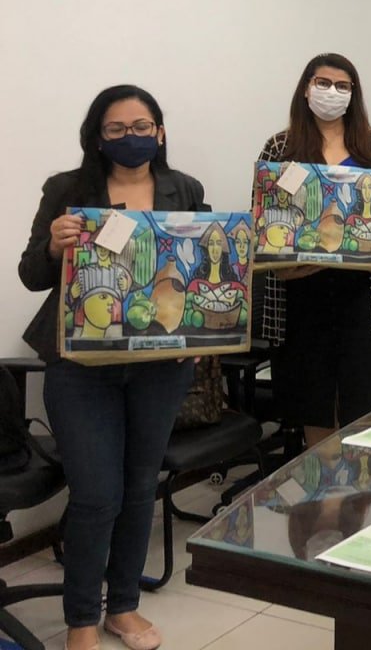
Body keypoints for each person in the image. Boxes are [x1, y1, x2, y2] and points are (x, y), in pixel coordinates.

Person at [19, 86, 205, 650]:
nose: (131, 137)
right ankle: (81, 618)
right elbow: (31, 275)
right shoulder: (67, 190)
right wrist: (53, 248)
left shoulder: (184, 189)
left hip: (158, 364)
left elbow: (199, 268)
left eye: (142, 126)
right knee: (97, 494)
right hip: (81, 364)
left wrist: (204, 330)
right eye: (117, 129)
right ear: (98, 138)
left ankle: (123, 607)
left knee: (139, 487)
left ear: (160, 132)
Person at [260, 53, 371, 447]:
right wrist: (284, 262)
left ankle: (356, 483)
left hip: (360, 292)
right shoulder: (281, 146)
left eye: (342, 86)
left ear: (353, 94)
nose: (332, 92)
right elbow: (263, 214)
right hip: (299, 292)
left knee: (360, 402)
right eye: (323, 83)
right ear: (306, 89)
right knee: (314, 403)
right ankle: (319, 481)